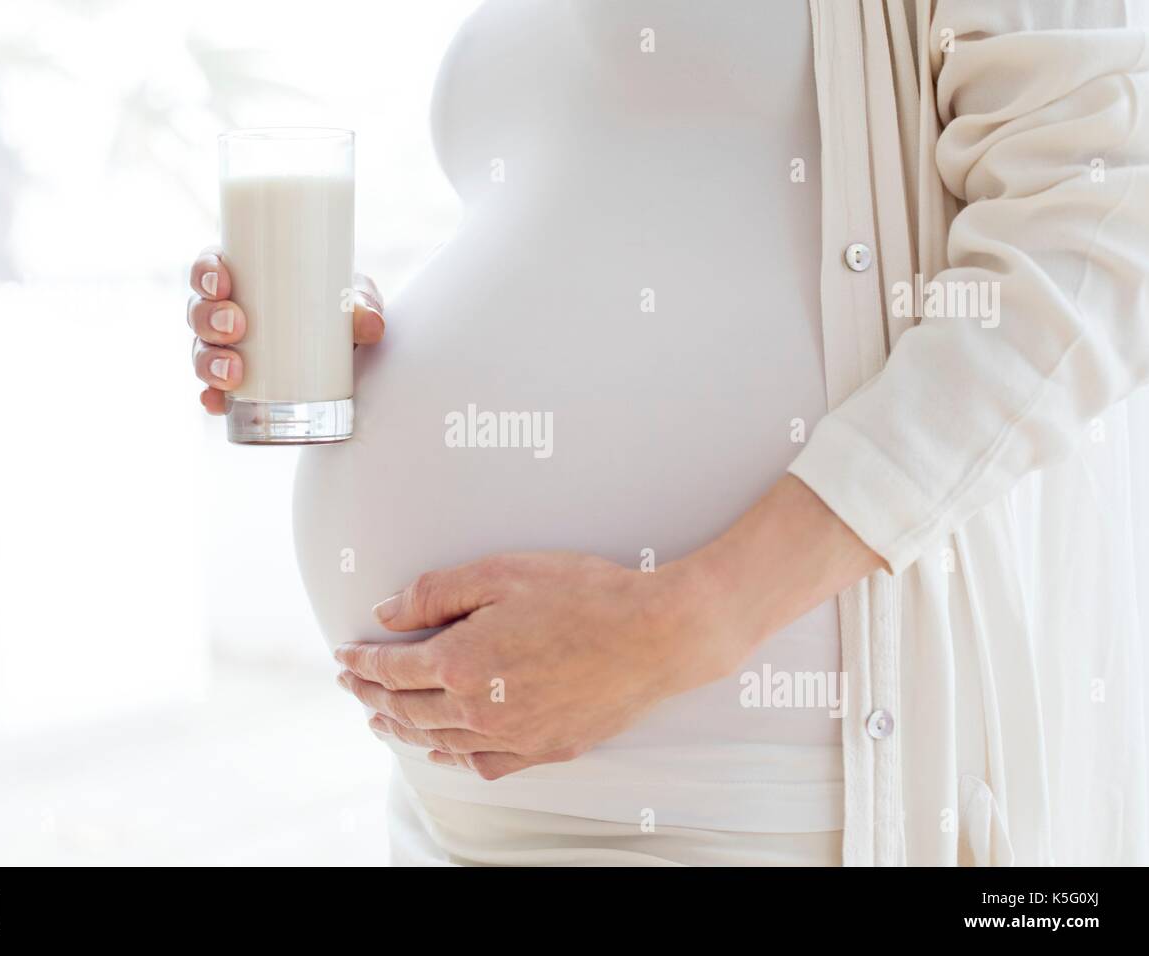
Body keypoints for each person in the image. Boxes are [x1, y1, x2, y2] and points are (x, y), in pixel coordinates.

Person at [185, 0, 1149, 865]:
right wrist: (359, 327)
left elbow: (1097, 234)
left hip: (731, 799)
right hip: (455, 803)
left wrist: (686, 623)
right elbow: (611, 212)